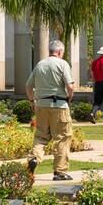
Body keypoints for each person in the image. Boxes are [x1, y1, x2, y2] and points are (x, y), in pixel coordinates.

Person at [25, 40, 77, 181]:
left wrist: (32, 101)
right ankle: (60, 171)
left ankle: (34, 158)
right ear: (60, 52)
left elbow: (28, 86)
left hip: (41, 105)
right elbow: (70, 86)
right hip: (59, 105)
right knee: (62, 137)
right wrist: (69, 98)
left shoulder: (40, 64)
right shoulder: (62, 63)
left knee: (41, 136)